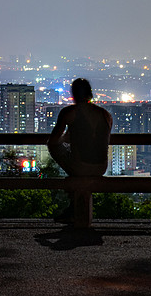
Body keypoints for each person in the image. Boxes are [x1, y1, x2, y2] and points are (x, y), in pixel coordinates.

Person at [48, 78, 113, 223]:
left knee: (53, 146)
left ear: (73, 94)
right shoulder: (105, 114)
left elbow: (54, 141)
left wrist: (66, 140)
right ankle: (73, 205)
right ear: (90, 93)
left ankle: (72, 203)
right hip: (101, 167)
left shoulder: (69, 112)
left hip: (80, 166)